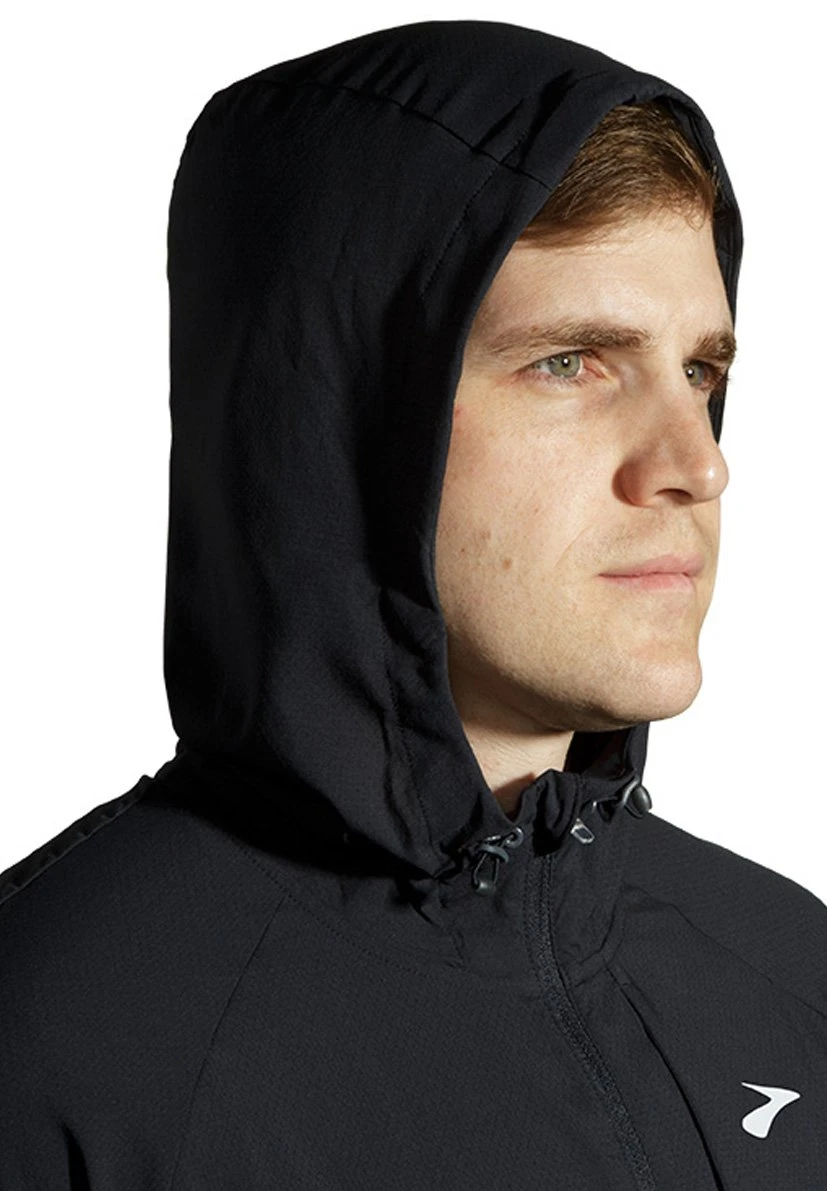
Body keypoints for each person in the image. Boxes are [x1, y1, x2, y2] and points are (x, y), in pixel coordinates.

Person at [1, 18, 825, 1188]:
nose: (695, 464)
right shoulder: (57, 1054)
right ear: (335, 421)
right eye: (569, 362)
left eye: (698, 371)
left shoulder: (786, 969)